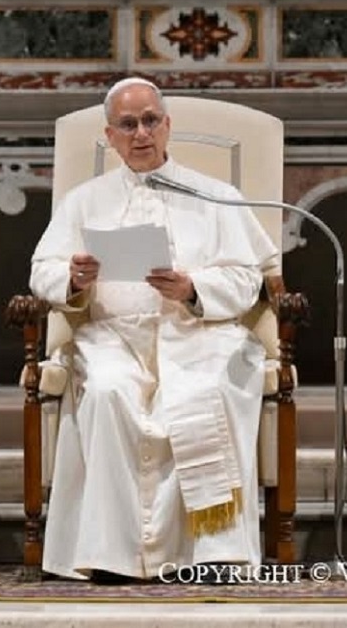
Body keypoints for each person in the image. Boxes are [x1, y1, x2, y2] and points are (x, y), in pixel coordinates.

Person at [29, 77, 279, 581]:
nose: (140, 133)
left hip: (200, 334)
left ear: (167, 126)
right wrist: (73, 278)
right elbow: (41, 271)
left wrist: (191, 288)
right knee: (107, 392)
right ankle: (113, 556)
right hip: (114, 337)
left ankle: (212, 553)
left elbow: (247, 279)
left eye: (149, 121)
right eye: (127, 125)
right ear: (110, 136)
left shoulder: (216, 196)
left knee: (208, 391)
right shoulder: (85, 200)